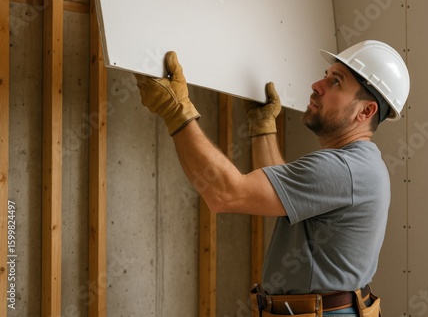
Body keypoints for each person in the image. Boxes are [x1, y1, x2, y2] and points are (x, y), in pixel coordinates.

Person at [134, 40, 410, 316]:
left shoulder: (342, 170)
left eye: (336, 82)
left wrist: (175, 110)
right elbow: (283, 197)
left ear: (366, 111)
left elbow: (226, 193)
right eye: (326, 76)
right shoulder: (362, 165)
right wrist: (263, 127)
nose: (317, 85)